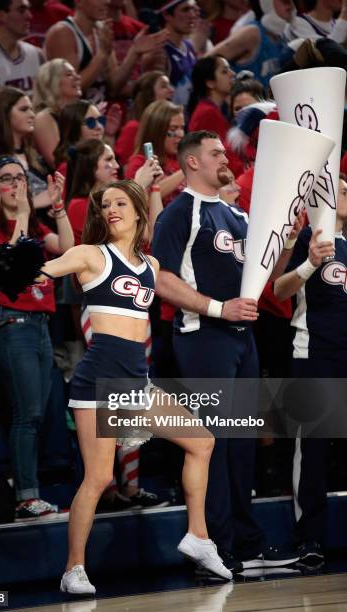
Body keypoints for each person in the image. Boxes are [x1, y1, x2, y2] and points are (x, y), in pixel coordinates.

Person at [35, 178, 232, 594]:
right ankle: (74, 570)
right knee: (100, 477)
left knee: (202, 441)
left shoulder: (152, 266)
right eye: (105, 205)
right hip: (99, 382)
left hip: (135, 383)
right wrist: (22, 264)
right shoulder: (90, 255)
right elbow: (46, 268)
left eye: (121, 203)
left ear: (139, 212)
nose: (111, 210)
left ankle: (197, 537)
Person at [152, 130, 300, 573]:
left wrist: (288, 240)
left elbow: (268, 276)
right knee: (212, 443)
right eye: (215, 153)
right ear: (192, 162)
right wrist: (219, 308)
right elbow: (160, 279)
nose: (225, 158)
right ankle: (217, 545)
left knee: (241, 444)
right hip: (203, 338)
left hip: (241, 339)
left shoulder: (236, 213)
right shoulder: (181, 212)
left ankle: (246, 541)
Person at [0, 154, 74, 520]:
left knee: (35, 413)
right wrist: (18, 212)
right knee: (26, 413)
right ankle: (26, 496)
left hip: (39, 325)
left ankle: (29, 494)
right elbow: (16, 266)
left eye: (21, 177)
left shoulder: (30, 223)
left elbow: (66, 246)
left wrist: (58, 204)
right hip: (11, 324)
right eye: (7, 178)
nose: (17, 184)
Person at [273, 175, 347, 568]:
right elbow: (278, 290)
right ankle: (310, 539)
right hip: (314, 353)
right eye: (342, 189)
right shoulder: (308, 241)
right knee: (312, 450)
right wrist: (309, 264)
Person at [45, 0, 166, 104]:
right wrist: (102, 54)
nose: (107, 1)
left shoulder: (101, 30)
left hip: (97, 118)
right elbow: (69, 90)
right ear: (79, 1)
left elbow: (113, 88)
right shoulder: (62, 33)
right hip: (70, 123)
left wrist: (134, 52)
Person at [0, 0, 44, 95]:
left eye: (28, 10)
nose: (29, 16)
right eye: (21, 10)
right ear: (1, 15)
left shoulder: (37, 54)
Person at [125, 99, 185, 206]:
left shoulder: (179, 160)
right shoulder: (140, 163)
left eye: (182, 128)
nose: (180, 134)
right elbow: (141, 200)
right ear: (157, 131)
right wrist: (186, 170)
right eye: (174, 128)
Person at [115, 70, 174, 168]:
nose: (171, 90)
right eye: (164, 86)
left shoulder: (168, 129)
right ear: (149, 95)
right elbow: (125, 169)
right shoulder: (133, 128)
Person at [33, 59, 82, 168]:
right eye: (69, 74)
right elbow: (59, 164)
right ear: (52, 82)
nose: (78, 77)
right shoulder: (43, 118)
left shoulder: (78, 115)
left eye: (76, 73)